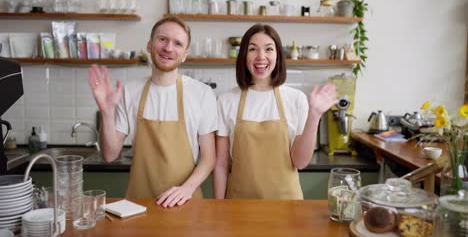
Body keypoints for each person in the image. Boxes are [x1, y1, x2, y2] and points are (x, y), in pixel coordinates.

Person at [88, 16, 217, 208]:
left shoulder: (202, 94)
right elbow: (109, 154)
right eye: (162, 39)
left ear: (184, 55)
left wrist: (186, 189)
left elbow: (209, 157)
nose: (168, 48)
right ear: (149, 45)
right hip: (138, 204)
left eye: (178, 43)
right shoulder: (130, 92)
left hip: (186, 203)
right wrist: (107, 112)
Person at [213, 24, 338, 199]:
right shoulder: (226, 100)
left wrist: (315, 115)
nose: (261, 57)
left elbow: (300, 162)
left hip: (287, 205)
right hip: (238, 205)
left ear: (278, 55)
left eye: (269, 49)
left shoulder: (296, 99)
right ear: (243, 56)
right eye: (253, 49)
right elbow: (221, 165)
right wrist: (219, 208)